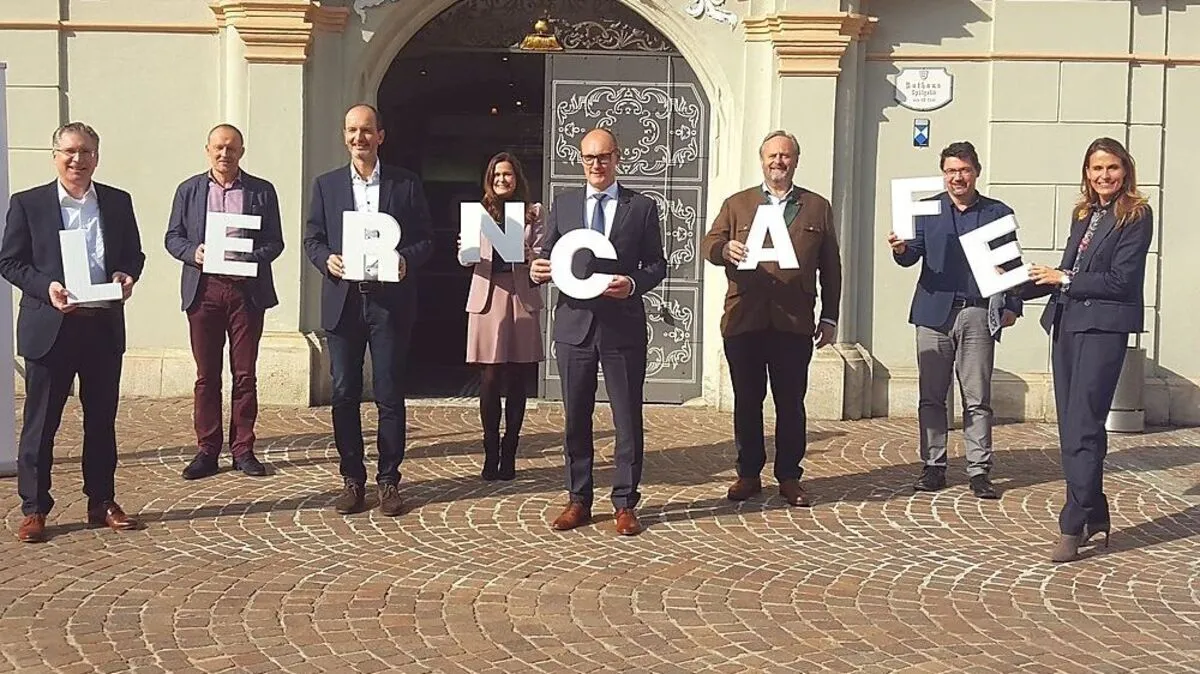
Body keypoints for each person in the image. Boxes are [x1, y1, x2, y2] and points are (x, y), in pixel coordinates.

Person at [0, 122, 145, 543]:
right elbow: (10, 262)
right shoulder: (28, 203)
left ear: (96, 157)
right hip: (51, 327)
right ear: (55, 155)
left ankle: (101, 500)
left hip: (101, 327)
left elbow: (134, 254)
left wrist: (126, 273)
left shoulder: (118, 202)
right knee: (41, 424)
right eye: (69, 152)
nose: (77, 160)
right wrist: (46, 288)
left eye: (85, 152)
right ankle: (34, 508)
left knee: (101, 422)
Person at [529, 127, 666, 535]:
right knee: (576, 418)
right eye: (589, 158)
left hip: (622, 327)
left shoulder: (639, 207)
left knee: (627, 417)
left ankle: (625, 502)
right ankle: (579, 499)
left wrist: (634, 284)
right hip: (574, 328)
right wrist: (538, 269)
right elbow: (547, 253)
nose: (596, 165)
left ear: (617, 157)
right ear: (580, 160)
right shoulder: (565, 204)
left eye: (603, 157)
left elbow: (656, 264)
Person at [1025, 137, 1153, 563]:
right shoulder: (1086, 213)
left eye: (1112, 168)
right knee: (1073, 426)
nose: (1104, 176)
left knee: (1082, 424)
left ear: (1125, 170)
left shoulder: (1135, 214)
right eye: (1096, 169)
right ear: (1086, 173)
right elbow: (1069, 269)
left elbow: (1121, 281)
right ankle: (1096, 510)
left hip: (1103, 329)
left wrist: (1062, 278)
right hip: (1067, 325)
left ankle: (1072, 524)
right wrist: (1011, 284)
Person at [303, 103, 433, 516]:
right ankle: (352, 479)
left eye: (366, 130)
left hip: (389, 303)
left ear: (381, 135)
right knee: (344, 393)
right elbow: (313, 238)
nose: (359, 138)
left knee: (390, 393)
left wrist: (406, 259)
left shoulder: (405, 184)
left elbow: (426, 239)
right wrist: (326, 260)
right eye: (352, 131)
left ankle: (389, 481)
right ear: (345, 136)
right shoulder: (326, 185)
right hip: (344, 300)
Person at [699, 129, 842, 508]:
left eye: (786, 156)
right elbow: (708, 244)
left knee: (790, 402)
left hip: (793, 322)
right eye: (772, 156)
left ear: (795, 161)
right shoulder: (738, 204)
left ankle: (790, 476)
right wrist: (723, 248)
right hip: (744, 319)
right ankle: (748, 473)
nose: (779, 162)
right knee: (747, 400)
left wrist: (829, 317)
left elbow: (831, 267)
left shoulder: (816, 206)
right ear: (761, 160)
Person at [887, 141, 1022, 500]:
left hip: (977, 310)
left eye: (963, 170)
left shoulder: (997, 213)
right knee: (932, 395)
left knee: (977, 395)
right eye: (950, 171)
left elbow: (1012, 266)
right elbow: (909, 257)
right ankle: (933, 466)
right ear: (943, 173)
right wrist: (900, 248)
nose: (956, 177)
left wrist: (1012, 306)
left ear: (976, 172)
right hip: (932, 313)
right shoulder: (926, 208)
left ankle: (979, 470)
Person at [165, 123, 285, 480]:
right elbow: (172, 237)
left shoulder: (262, 191)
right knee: (206, 376)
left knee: (245, 374)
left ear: (242, 152)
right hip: (204, 290)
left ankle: (243, 449)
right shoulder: (188, 190)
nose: (224, 154)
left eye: (231, 148)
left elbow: (275, 242)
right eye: (218, 147)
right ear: (207, 150)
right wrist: (193, 252)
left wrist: (250, 257)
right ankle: (207, 450)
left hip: (246, 292)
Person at [457, 152, 544, 481]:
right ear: (489, 180)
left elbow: (542, 250)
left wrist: (520, 250)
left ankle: (511, 450)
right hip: (487, 296)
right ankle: (490, 449)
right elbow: (465, 256)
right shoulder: (478, 213)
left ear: (517, 178)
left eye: (507, 175)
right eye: (497, 176)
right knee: (490, 377)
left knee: (518, 377)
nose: (502, 180)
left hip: (520, 295)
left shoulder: (533, 213)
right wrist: (466, 250)